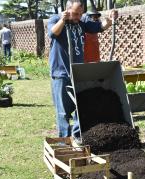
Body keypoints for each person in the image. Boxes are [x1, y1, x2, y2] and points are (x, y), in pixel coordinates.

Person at [47, 0, 118, 141]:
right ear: (67, 10)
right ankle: (65, 142)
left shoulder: (81, 23)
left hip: (78, 72)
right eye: (75, 13)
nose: (78, 17)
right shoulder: (56, 18)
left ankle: (77, 137)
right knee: (63, 112)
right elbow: (53, 33)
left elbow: (100, 27)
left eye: (80, 14)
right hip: (61, 73)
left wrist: (110, 20)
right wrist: (63, 19)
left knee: (82, 106)